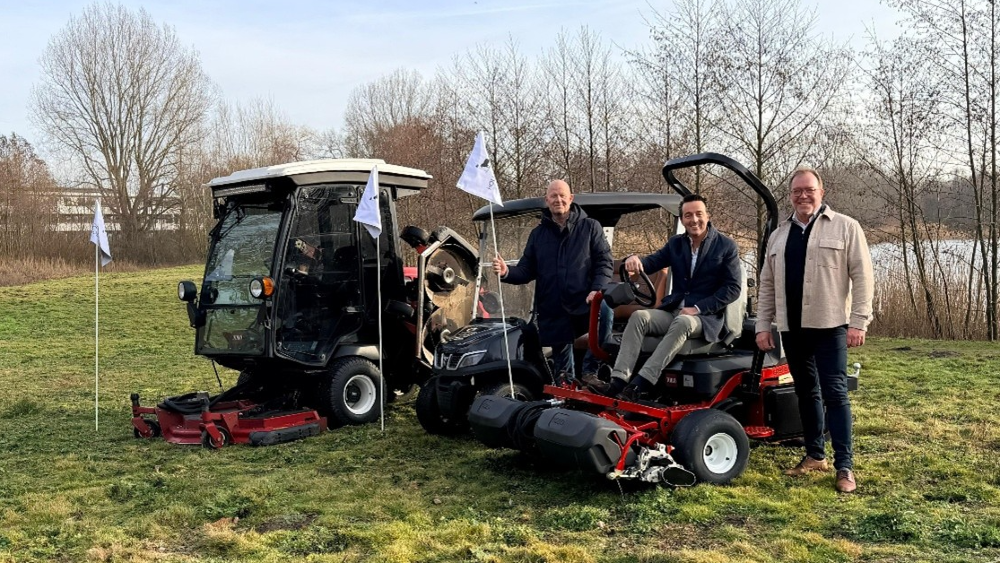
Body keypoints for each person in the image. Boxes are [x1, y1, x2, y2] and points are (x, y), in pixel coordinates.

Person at [755, 167, 873, 494]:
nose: (803, 196)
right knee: (805, 392)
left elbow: (863, 277)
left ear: (822, 192)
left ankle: (844, 466)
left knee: (835, 393)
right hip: (792, 329)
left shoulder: (846, 228)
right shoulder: (779, 235)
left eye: (809, 190)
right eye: (797, 191)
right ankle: (814, 455)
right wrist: (764, 325)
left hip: (830, 326)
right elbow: (766, 284)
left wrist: (859, 321)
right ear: (790, 195)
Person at [598, 194, 742, 402]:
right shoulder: (677, 244)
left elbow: (732, 288)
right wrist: (634, 259)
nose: (694, 220)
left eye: (698, 214)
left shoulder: (725, 246)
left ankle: (641, 383)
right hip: (676, 310)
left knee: (683, 321)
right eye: (688, 215)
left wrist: (698, 308)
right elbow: (652, 262)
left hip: (705, 317)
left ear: (707, 216)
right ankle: (619, 380)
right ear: (682, 220)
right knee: (640, 316)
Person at [492, 179, 614, 382]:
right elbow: (525, 270)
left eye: (562, 195)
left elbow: (604, 262)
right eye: (554, 196)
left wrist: (597, 290)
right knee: (563, 374)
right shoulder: (538, 235)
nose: (558, 200)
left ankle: (590, 371)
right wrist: (506, 272)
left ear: (571, 198)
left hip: (585, 301)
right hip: (553, 305)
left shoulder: (590, 227)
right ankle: (566, 396)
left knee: (606, 311)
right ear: (546, 200)